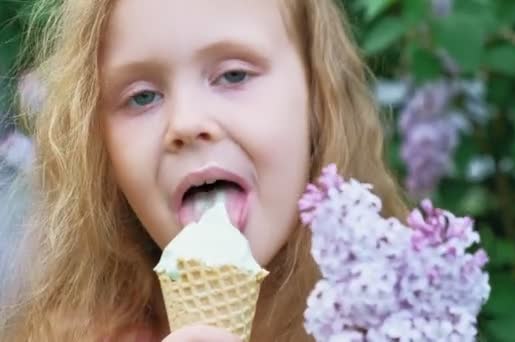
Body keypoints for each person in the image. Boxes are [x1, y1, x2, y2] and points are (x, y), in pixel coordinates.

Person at [0, 0, 408, 340]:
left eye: (233, 75)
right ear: (99, 148)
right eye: (142, 97)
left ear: (318, 100)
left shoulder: (395, 322)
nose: (186, 123)